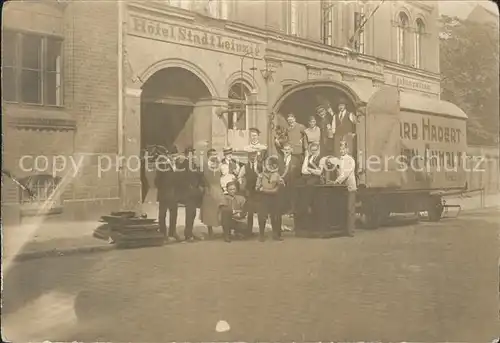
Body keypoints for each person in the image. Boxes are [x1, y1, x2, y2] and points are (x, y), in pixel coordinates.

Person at [176, 146, 204, 242]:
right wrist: (187, 186)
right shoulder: (184, 164)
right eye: (190, 153)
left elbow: (199, 175)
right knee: (189, 213)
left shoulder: (194, 164)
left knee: (193, 213)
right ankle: (187, 234)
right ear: (187, 154)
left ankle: (190, 232)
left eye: (193, 153)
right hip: (188, 192)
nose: (192, 155)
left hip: (195, 192)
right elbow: (180, 178)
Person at [155, 146, 181, 242]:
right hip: (165, 193)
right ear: (168, 155)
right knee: (163, 214)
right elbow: (157, 181)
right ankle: (163, 233)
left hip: (174, 193)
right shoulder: (162, 165)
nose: (175, 157)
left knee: (174, 213)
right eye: (173, 155)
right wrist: (163, 188)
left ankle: (172, 232)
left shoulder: (176, 165)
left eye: (176, 155)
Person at [331, 141, 357, 237]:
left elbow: (345, 173)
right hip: (343, 188)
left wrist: (337, 181)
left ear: (347, 149)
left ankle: (351, 231)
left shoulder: (350, 160)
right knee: (344, 208)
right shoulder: (340, 160)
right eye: (340, 149)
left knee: (350, 209)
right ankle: (344, 229)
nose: (342, 151)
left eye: (343, 149)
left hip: (350, 187)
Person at [255, 158, 284, 241]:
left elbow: (279, 187)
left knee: (276, 215)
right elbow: (257, 187)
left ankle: (276, 234)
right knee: (262, 215)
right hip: (264, 197)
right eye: (268, 165)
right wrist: (261, 188)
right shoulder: (261, 175)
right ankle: (261, 234)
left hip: (274, 197)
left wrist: (277, 186)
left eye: (272, 165)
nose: (270, 167)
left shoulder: (277, 175)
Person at [238, 150, 262, 237]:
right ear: (248, 156)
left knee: (261, 212)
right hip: (249, 192)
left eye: (254, 155)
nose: (252, 157)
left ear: (256, 155)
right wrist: (242, 185)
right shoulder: (245, 167)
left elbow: (264, 176)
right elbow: (240, 177)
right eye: (251, 155)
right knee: (250, 212)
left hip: (259, 192)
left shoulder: (261, 166)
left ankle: (261, 232)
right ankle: (249, 231)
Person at [200, 148, 223, 238]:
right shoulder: (204, 165)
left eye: (215, 154)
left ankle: (223, 228)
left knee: (220, 208)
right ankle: (210, 230)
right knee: (208, 210)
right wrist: (204, 186)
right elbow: (201, 177)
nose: (214, 156)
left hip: (218, 188)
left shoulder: (220, 165)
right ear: (208, 156)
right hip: (209, 188)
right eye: (212, 154)